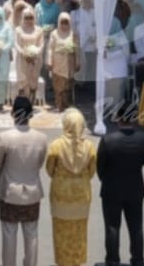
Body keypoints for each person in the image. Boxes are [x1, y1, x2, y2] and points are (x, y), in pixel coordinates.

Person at [97, 104, 144, 266]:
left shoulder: (108, 140)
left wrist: (107, 179)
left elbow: (100, 166)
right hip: (135, 187)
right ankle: (138, 260)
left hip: (111, 188)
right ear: (134, 118)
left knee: (112, 227)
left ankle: (113, 261)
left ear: (119, 118)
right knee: (136, 227)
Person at [0, 96, 47, 266]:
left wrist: (3, 178)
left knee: (9, 233)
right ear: (31, 115)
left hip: (10, 190)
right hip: (32, 190)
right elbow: (39, 163)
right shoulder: (41, 138)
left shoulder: (4, 137)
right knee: (31, 233)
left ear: (13, 114)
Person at [46, 108, 97, 266]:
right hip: (82, 197)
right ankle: (76, 262)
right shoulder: (89, 147)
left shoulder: (55, 146)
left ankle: (63, 262)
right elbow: (92, 172)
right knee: (79, 233)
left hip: (60, 197)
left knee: (61, 233)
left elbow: (49, 170)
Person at [49, 13, 80, 111]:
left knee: (68, 86)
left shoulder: (73, 34)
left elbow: (77, 49)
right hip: (57, 64)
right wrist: (49, 61)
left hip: (69, 64)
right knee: (58, 87)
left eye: (66, 23)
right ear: (59, 23)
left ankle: (67, 105)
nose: (64, 25)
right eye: (62, 23)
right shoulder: (54, 34)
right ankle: (59, 106)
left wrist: (78, 62)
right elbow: (50, 49)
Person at [14, 9, 44, 104]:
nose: (29, 20)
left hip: (35, 59)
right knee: (23, 81)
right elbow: (16, 43)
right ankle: (22, 104)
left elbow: (41, 44)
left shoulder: (39, 30)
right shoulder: (18, 30)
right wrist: (23, 53)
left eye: (31, 17)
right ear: (23, 18)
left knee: (33, 80)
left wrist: (35, 53)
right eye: (26, 17)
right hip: (22, 59)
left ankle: (31, 103)